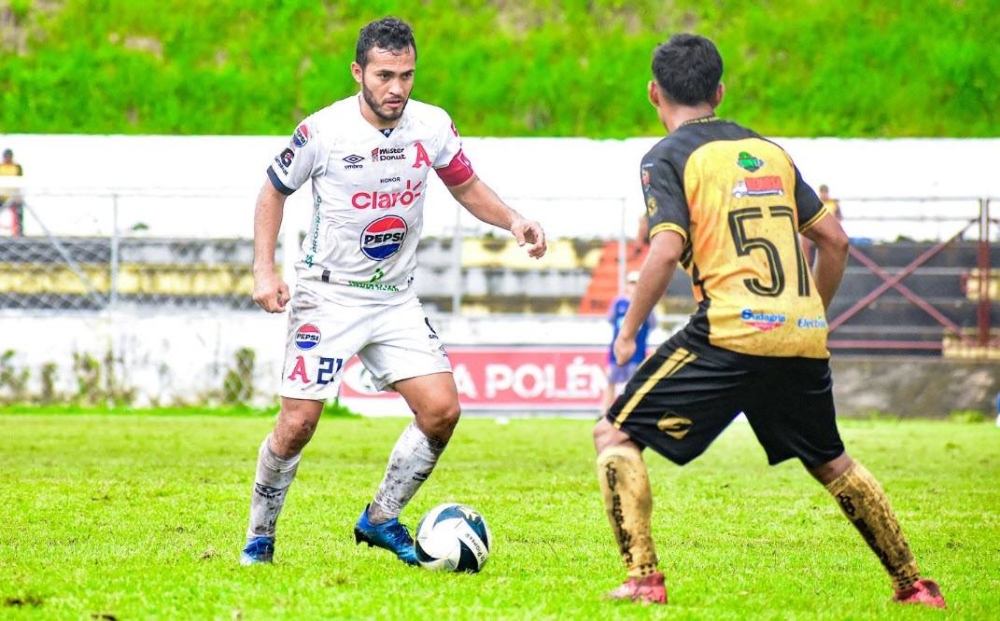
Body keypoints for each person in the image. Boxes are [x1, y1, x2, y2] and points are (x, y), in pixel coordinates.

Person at [592, 34, 945, 608]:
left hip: (731, 326)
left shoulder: (667, 156)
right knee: (832, 461)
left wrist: (629, 329)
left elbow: (664, 248)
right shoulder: (771, 152)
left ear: (653, 93)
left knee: (615, 435)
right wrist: (811, 314)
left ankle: (642, 579)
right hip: (798, 332)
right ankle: (913, 584)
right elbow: (834, 240)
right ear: (720, 91)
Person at [240, 17, 547, 566]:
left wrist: (514, 220)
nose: (397, 88)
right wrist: (265, 270)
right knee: (297, 425)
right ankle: (260, 537)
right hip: (327, 297)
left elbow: (466, 185)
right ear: (358, 72)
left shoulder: (430, 126)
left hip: (394, 299)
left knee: (441, 412)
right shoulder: (323, 131)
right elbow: (272, 191)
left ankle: (380, 518)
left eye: (406, 75)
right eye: (384, 75)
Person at [601, 270, 656, 416]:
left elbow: (652, 324)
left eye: (636, 284)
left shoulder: (646, 303)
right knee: (611, 381)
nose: (633, 286)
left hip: (637, 352)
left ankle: (630, 413)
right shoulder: (618, 303)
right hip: (617, 350)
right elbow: (611, 320)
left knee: (634, 383)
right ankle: (604, 413)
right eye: (631, 283)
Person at [0, 148, 24, 237]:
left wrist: (18, 196)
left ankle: (18, 232)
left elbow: (20, 182)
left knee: (19, 211)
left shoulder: (17, 167)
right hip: (2, 196)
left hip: (13, 196)